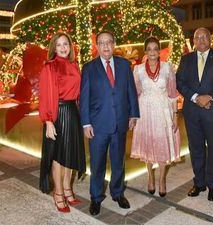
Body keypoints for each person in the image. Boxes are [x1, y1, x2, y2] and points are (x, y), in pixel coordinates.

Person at [80, 31, 139, 216]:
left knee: (118, 162)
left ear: (114, 44)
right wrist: (86, 123)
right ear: (96, 46)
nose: (106, 46)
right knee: (97, 164)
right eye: (102, 43)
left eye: (109, 42)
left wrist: (133, 115)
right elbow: (84, 98)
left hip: (120, 123)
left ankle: (117, 193)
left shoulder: (124, 65)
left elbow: (131, 91)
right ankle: (96, 197)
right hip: (97, 126)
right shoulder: (89, 68)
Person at [176, 28, 213, 201]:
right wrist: (195, 97)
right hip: (192, 112)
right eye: (198, 37)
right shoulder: (186, 59)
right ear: (193, 40)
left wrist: (210, 97)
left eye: (204, 37)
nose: (201, 40)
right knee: (196, 149)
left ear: (210, 39)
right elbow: (179, 81)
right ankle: (199, 183)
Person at [39, 32, 86, 212]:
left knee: (70, 153)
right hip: (57, 113)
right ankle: (58, 193)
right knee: (58, 156)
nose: (63, 47)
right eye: (59, 45)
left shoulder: (74, 65)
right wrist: (48, 121)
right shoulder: (49, 67)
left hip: (72, 112)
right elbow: (45, 96)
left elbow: (80, 92)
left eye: (65, 44)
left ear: (70, 46)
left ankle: (67, 189)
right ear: (54, 48)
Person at [130, 37, 181, 197]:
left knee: (162, 145)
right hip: (144, 111)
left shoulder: (167, 68)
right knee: (148, 145)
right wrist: (133, 115)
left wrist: (175, 115)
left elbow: (173, 94)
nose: (152, 52)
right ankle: (150, 177)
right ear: (145, 51)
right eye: (149, 49)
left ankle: (161, 180)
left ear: (159, 51)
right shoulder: (137, 70)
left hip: (163, 111)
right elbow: (135, 94)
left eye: (155, 49)